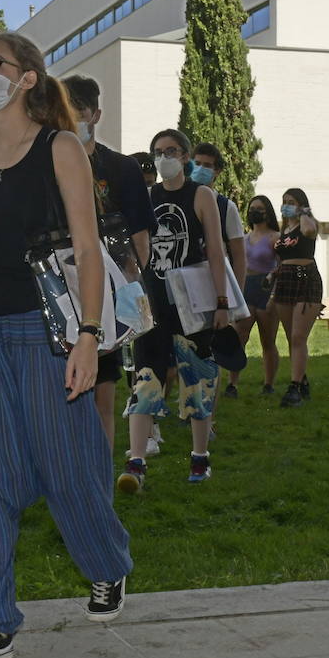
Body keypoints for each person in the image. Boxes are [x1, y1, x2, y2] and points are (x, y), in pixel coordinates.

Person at [0, 32, 132, 658]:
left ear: (26, 80)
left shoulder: (61, 148)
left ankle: (106, 565)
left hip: (45, 328)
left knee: (66, 463)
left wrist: (87, 336)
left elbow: (85, 246)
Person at [117, 129, 231, 491]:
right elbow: (131, 251)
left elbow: (215, 251)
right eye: (157, 152)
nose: (164, 157)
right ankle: (136, 461)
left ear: (184, 156)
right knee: (145, 379)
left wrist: (222, 301)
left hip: (193, 302)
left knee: (197, 378)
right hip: (152, 303)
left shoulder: (201, 196)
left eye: (171, 151)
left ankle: (199, 458)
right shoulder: (145, 196)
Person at [62, 74, 157, 450]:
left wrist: (126, 300)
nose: (72, 120)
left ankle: (100, 481)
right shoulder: (44, 164)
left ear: (96, 114)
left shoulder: (121, 168)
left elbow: (141, 242)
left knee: (102, 393)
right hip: (57, 293)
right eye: (65, 112)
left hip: (106, 295)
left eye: (79, 112)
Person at [191, 143, 248, 396]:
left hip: (215, 289)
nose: (201, 169)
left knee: (209, 354)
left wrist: (235, 303)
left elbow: (239, 256)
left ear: (217, 172)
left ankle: (205, 415)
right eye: (197, 163)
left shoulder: (227, 208)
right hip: (185, 287)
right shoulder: (181, 199)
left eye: (207, 166)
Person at [272, 189, 323, 407]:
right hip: (284, 280)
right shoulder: (285, 229)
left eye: (291, 202)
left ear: (301, 204)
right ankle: (302, 381)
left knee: (298, 336)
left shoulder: (307, 223)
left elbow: (310, 230)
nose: (286, 205)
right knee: (291, 338)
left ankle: (294, 387)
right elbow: (281, 257)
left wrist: (303, 213)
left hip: (306, 279)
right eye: (284, 202)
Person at [238, 195, 281, 394]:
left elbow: (281, 266)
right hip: (246, 287)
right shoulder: (244, 237)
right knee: (239, 337)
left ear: (268, 212)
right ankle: (232, 383)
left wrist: (274, 292)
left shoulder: (276, 237)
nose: (255, 211)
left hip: (266, 287)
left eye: (260, 208)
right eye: (252, 207)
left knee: (267, 340)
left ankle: (268, 384)